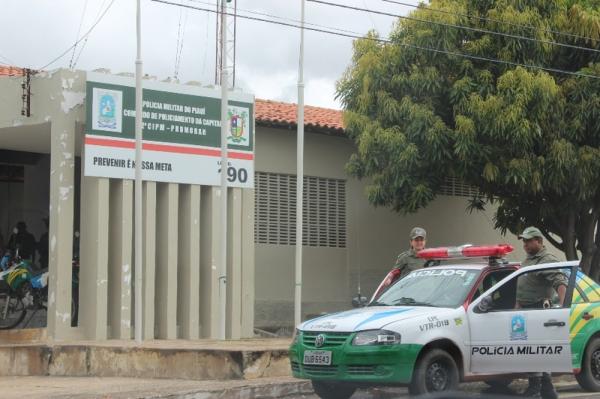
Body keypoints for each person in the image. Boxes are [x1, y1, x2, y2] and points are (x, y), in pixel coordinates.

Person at [517, 226, 567, 399]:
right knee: (530, 350)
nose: (524, 244)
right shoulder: (529, 259)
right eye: (523, 241)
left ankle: (536, 388)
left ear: (539, 241)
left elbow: (560, 282)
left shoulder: (546, 259)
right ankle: (546, 389)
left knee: (534, 350)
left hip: (537, 310)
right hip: (524, 312)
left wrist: (565, 308)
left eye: (528, 241)